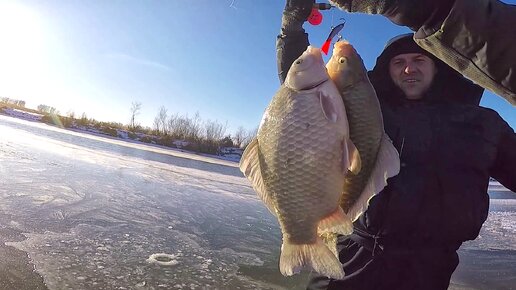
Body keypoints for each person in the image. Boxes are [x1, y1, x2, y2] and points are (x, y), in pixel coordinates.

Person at [276, 0, 516, 289]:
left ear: (438, 66)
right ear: (387, 70)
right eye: (399, 63)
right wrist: (291, 30)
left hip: (431, 272)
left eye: (419, 60)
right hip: (351, 261)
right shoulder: (365, 110)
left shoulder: (483, 123)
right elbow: (304, 91)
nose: (408, 69)